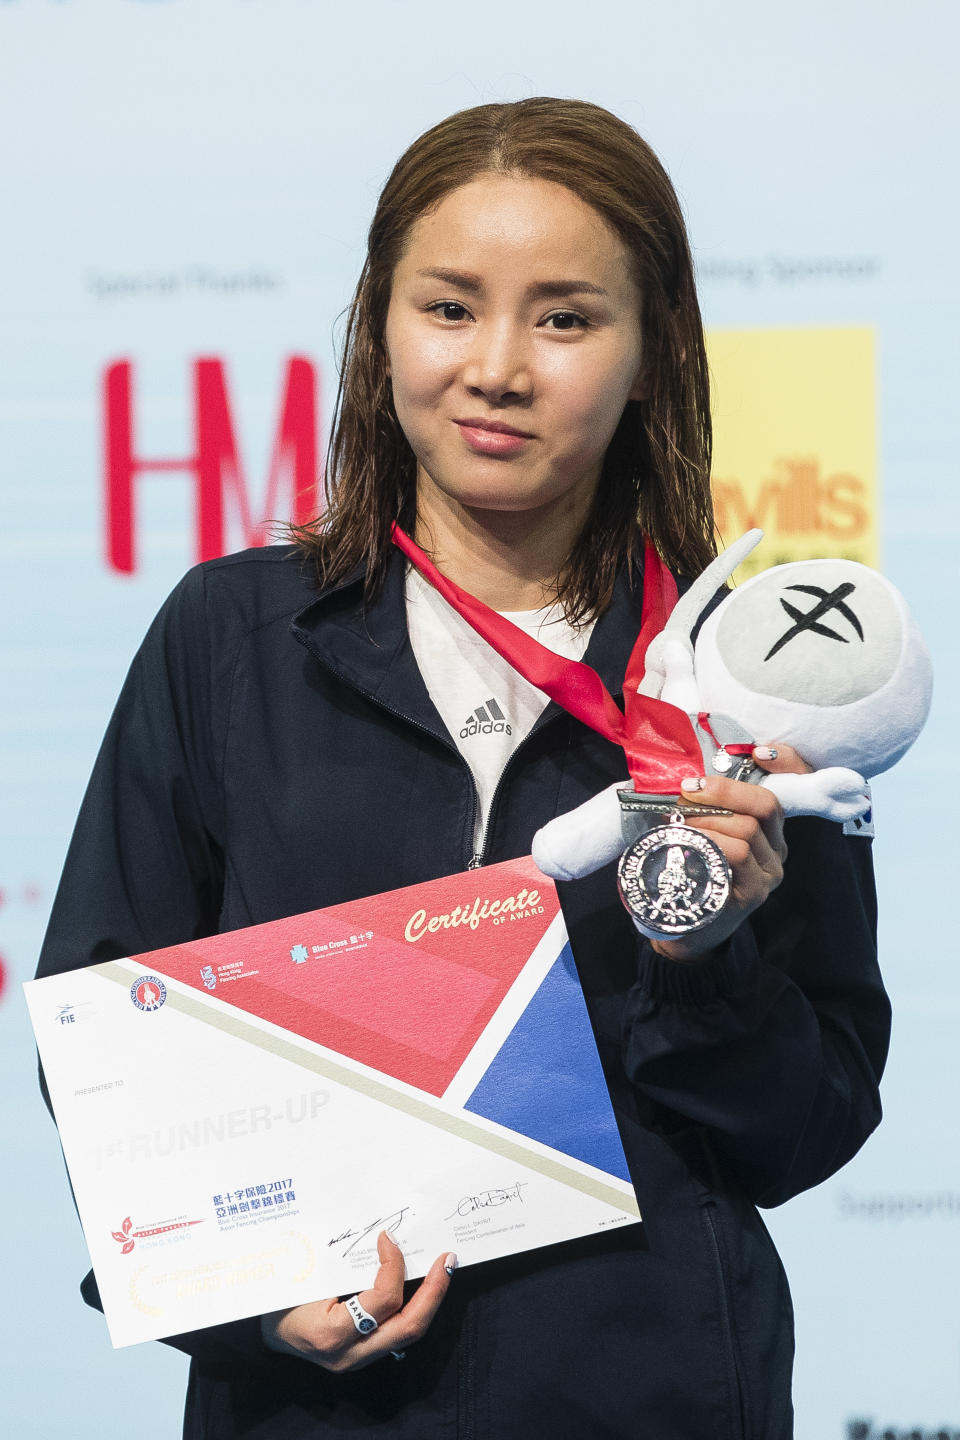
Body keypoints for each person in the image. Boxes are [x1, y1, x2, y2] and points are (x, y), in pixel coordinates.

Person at [36, 98, 889, 1439]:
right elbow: (103, 1040)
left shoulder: (746, 680)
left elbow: (812, 1129)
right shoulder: (230, 639)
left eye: (564, 318)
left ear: (655, 352)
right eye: (449, 308)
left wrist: (707, 962)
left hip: (649, 1398)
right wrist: (252, 1304)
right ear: (380, 329)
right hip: (315, 1410)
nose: (498, 366)